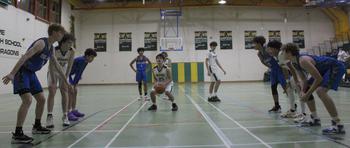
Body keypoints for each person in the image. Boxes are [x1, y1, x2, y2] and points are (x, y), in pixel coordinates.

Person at [2, 24, 67, 144]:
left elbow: (56, 65)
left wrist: (65, 80)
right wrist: (12, 73)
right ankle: (17, 134)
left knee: (41, 99)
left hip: (31, 74)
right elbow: (25, 56)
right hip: (23, 71)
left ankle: (37, 126)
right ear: (53, 32)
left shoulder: (51, 48)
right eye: (61, 32)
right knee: (27, 100)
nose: (62, 35)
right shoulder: (41, 43)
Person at [284, 43, 345, 134]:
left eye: (283, 52)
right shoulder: (294, 63)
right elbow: (304, 80)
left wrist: (307, 94)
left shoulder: (302, 60)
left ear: (289, 53)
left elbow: (319, 79)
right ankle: (315, 118)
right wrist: (303, 92)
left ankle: (338, 124)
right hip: (323, 71)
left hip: (334, 67)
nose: (282, 54)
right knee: (306, 89)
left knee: (320, 91)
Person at [46, 33, 75, 128]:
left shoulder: (72, 51)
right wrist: (53, 79)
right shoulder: (54, 49)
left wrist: (66, 77)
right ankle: (49, 116)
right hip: (53, 71)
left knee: (64, 91)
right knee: (52, 91)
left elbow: (70, 65)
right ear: (62, 42)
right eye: (69, 43)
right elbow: (51, 64)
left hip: (64, 71)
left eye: (72, 43)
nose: (71, 45)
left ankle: (65, 115)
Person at [67, 48, 97, 121]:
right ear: (87, 56)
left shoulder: (85, 61)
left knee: (75, 92)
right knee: (71, 92)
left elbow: (80, 72)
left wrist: (76, 83)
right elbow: (76, 72)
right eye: (92, 57)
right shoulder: (81, 60)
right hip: (68, 75)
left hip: (73, 76)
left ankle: (73, 110)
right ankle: (68, 112)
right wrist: (73, 84)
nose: (92, 59)